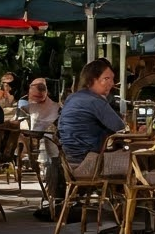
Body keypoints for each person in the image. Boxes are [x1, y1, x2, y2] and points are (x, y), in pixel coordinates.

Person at [55, 58, 129, 198]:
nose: (111, 84)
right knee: (138, 161)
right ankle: (134, 203)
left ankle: (117, 200)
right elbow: (121, 128)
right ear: (91, 80)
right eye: (106, 79)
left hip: (69, 161)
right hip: (89, 163)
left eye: (112, 79)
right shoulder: (95, 101)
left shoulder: (73, 98)